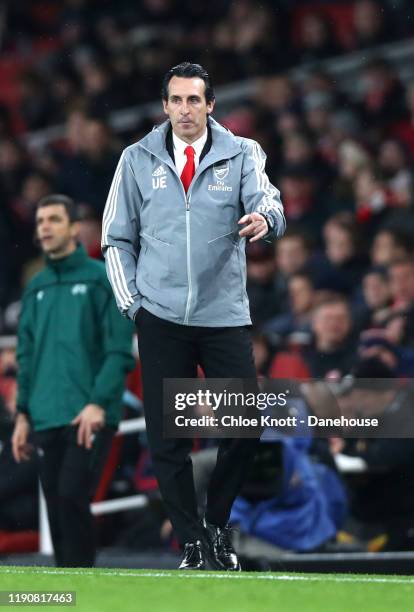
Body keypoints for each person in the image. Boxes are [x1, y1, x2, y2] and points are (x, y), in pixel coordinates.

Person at [101, 62, 285, 571]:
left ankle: (218, 526)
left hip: (223, 313)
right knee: (169, 438)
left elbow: (269, 200)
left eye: (194, 100)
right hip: (159, 316)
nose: (185, 109)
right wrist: (133, 306)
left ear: (210, 106)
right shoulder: (135, 160)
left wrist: (265, 219)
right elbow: (116, 238)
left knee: (244, 424)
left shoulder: (242, 152)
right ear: (165, 106)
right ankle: (191, 543)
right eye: (176, 100)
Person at [11, 194, 134, 567]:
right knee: (55, 502)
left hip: (89, 413)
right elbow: (26, 355)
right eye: (40, 221)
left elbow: (119, 351)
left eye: (53, 219)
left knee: (70, 496)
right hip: (46, 414)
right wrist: (21, 414)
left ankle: (81, 583)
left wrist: (98, 403)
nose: (44, 227)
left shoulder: (102, 279)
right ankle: (70, 590)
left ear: (75, 228)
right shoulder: (36, 286)